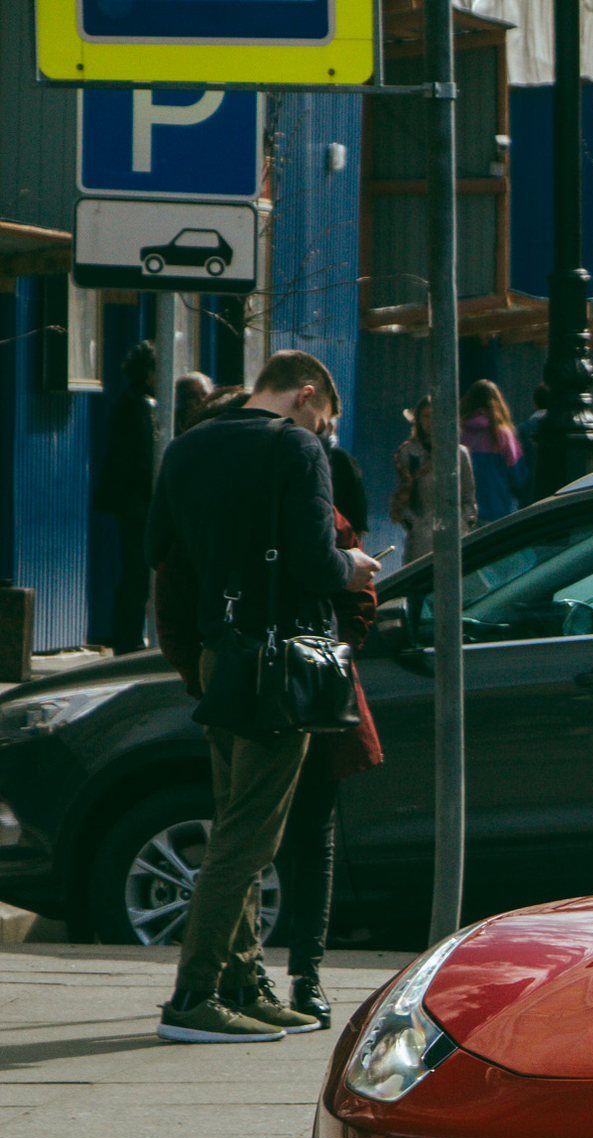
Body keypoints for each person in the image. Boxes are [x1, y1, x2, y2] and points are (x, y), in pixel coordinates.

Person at [146, 349, 381, 1043]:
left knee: (234, 815)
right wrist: (355, 567)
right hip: (279, 658)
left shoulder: (186, 448)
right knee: (250, 832)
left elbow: (163, 549)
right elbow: (315, 560)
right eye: (327, 419)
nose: (327, 432)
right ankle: (194, 997)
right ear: (306, 396)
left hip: (221, 650)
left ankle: (243, 982)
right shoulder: (298, 448)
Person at [271, 439, 385, 1029]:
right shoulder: (300, 509)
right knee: (285, 833)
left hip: (311, 690)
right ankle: (291, 975)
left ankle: (302, 973)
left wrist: (335, 654)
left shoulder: (326, 514)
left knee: (307, 831)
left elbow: (363, 595)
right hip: (284, 688)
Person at [93, 342, 159, 653]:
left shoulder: (127, 402)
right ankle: (129, 638)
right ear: (149, 373)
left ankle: (127, 636)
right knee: (137, 573)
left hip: (127, 500)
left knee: (133, 571)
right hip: (138, 503)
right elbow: (146, 457)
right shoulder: (142, 406)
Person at [388, 397, 477, 563]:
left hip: (454, 536)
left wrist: (463, 524)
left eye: (435, 415)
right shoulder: (409, 453)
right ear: (419, 419)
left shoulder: (459, 454)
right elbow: (401, 498)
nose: (431, 421)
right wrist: (414, 525)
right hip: (420, 540)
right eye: (426, 416)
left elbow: (468, 497)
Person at [460, 378, 525, 520]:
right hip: (498, 511)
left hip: (464, 514)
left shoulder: (459, 433)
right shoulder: (503, 434)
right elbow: (518, 476)